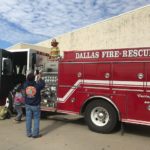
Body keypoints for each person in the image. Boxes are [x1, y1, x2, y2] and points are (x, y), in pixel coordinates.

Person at [23, 72, 45, 138]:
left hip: (27, 105)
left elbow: (27, 80)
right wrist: (40, 78)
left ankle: (28, 133)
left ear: (27, 78)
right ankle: (35, 134)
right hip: (35, 105)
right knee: (36, 119)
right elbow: (43, 84)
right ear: (34, 78)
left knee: (28, 119)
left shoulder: (25, 85)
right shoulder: (37, 85)